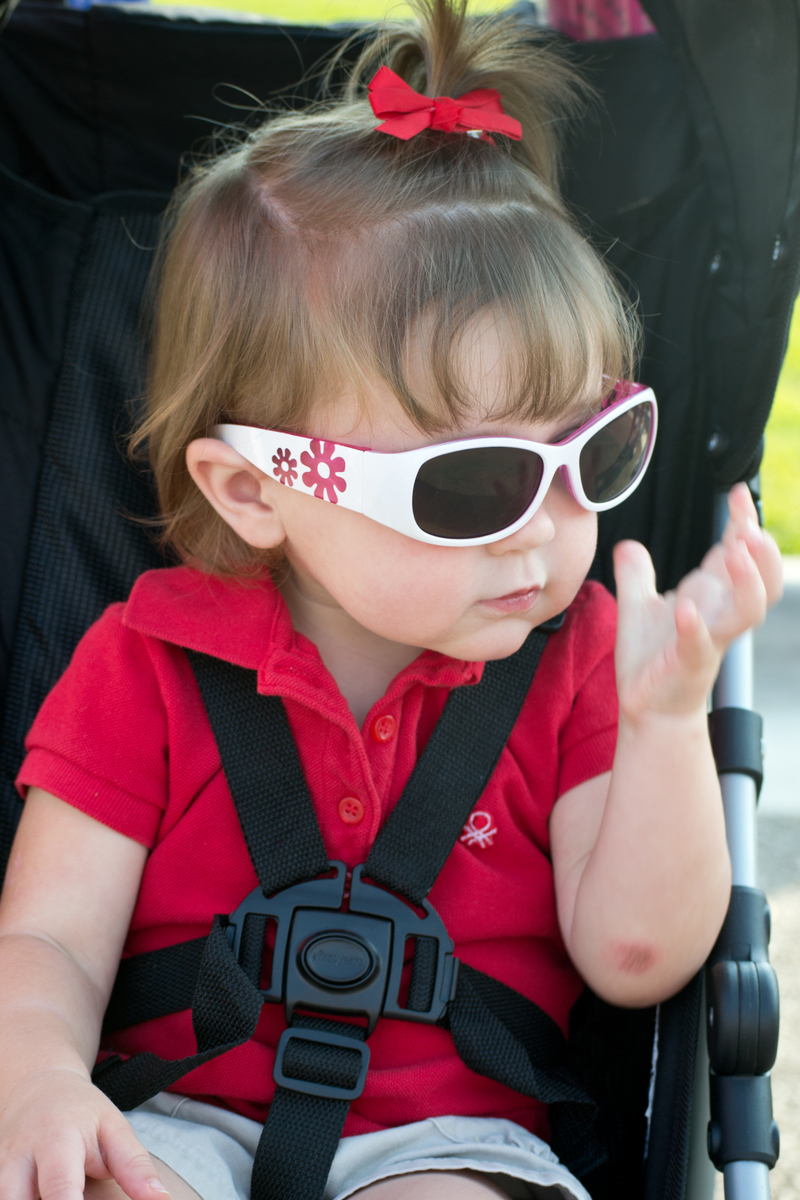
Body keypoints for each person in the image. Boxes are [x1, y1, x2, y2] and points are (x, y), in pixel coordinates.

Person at [0, 1, 782, 1198]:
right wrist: (40, 1077)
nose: (545, 525)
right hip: (176, 1120)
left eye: (594, 454)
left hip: (453, 1151)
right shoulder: (142, 661)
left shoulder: (583, 663)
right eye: (471, 482)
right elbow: (47, 938)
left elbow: (633, 957)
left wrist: (665, 724)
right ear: (255, 491)